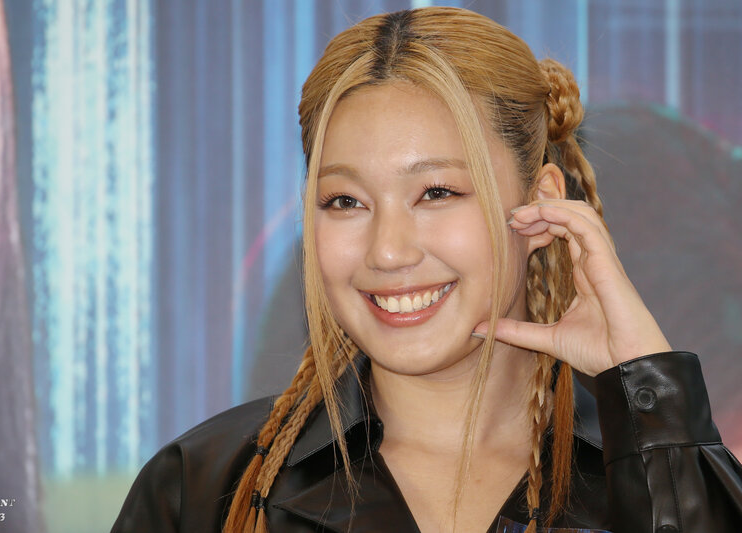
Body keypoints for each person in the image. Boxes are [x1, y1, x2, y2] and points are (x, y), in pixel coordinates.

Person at [111, 7, 742, 532]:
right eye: (345, 201)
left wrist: (653, 403)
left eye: (437, 192)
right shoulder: (201, 487)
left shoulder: (653, 470)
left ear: (542, 203)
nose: (388, 251)